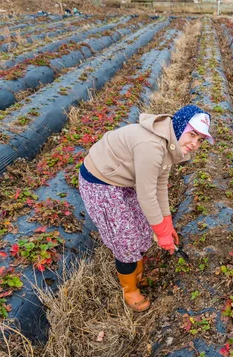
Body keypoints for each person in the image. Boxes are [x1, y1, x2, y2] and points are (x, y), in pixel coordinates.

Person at [79, 105, 214, 312]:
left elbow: (159, 185)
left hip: (124, 179)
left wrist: (167, 225)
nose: (195, 144)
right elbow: (146, 195)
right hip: (101, 181)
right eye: (192, 134)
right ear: (180, 126)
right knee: (125, 238)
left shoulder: (169, 142)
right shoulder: (152, 146)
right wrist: (162, 234)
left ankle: (138, 273)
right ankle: (130, 289)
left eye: (201, 140)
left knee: (142, 227)